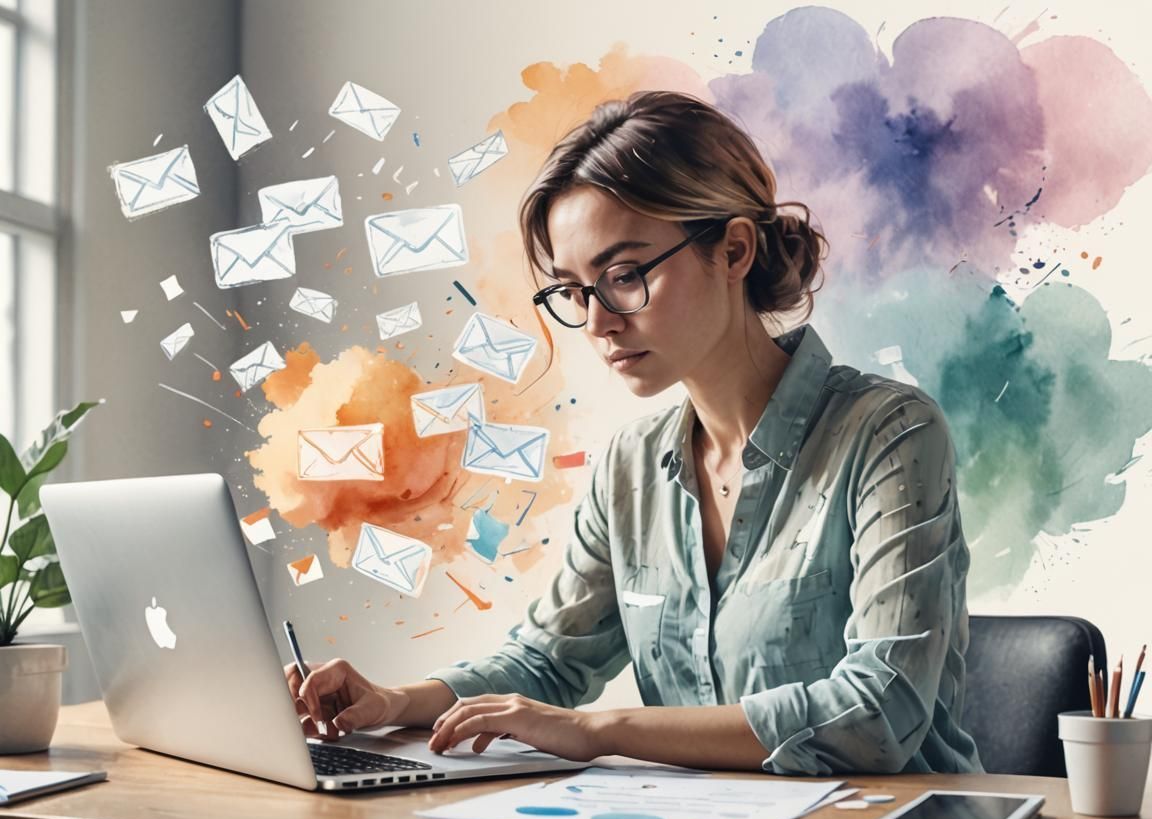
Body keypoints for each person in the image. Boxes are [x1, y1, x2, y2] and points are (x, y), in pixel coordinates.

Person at [287, 90, 984, 775]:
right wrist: (393, 700)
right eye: (572, 290)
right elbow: (548, 660)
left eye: (624, 275)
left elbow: (877, 712)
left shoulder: (889, 434)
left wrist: (600, 731)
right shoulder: (631, 466)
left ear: (735, 250)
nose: (596, 321)